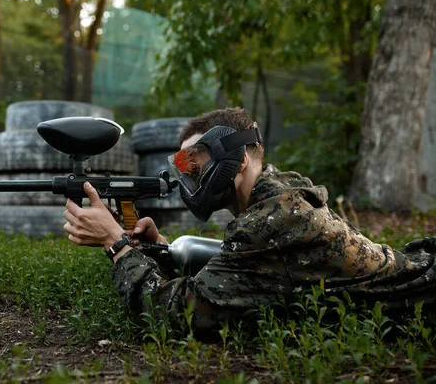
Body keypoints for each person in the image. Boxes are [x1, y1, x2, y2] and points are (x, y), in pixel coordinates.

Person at [62, 108, 436, 331]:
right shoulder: (279, 194)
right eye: (182, 167)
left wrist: (117, 245)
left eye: (195, 163)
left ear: (236, 158)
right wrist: (157, 249)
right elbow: (241, 271)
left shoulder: (273, 221)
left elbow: (176, 313)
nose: (189, 176)